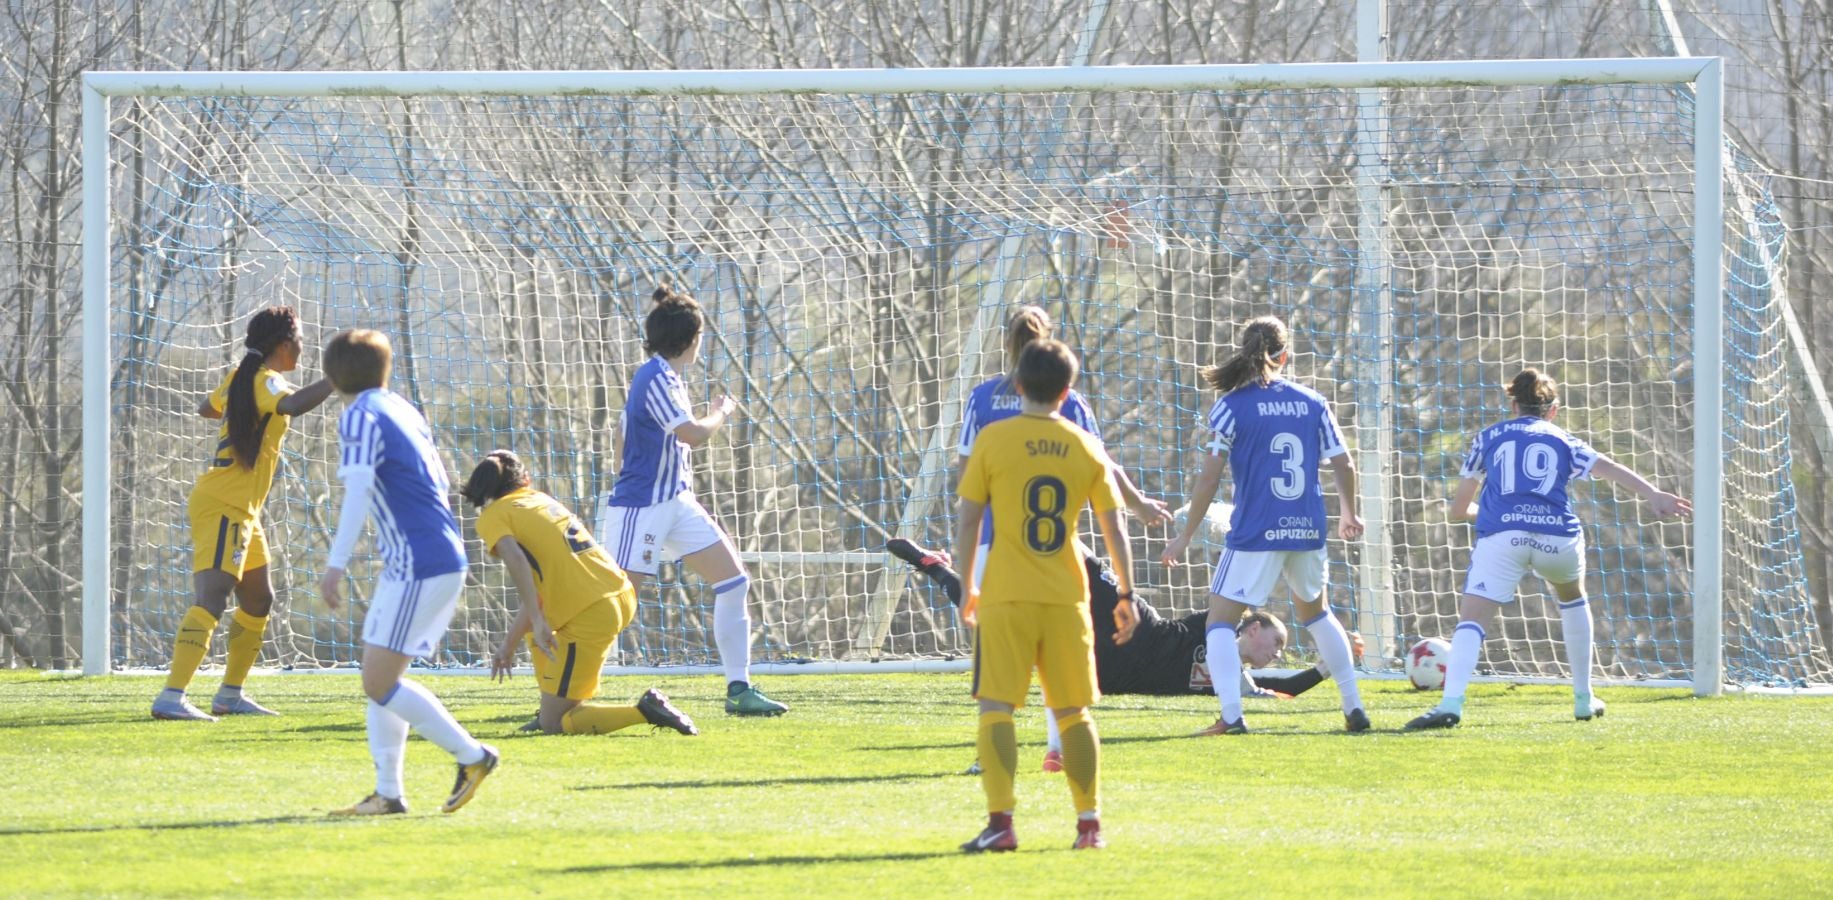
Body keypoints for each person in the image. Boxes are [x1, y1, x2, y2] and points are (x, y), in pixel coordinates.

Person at [1406, 369, 1691, 730]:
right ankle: (1584, 699)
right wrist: (1654, 494)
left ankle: (1451, 705)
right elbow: (1610, 467)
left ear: (1512, 404)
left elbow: (1460, 509)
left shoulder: (1488, 438)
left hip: (1503, 539)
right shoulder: (1563, 439)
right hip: (1557, 537)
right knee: (1572, 598)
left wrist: (1497, 512)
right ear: (1553, 409)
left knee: (1472, 620)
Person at [954, 305, 1171, 769]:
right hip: (1055, 550)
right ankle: (1058, 751)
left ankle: (989, 753)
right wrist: (1139, 505)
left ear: (1005, 343)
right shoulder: (1069, 401)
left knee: (995, 655)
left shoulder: (983, 397)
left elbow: (965, 474)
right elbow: (1104, 468)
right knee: (1058, 653)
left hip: (996, 543)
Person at [954, 339, 1137, 853]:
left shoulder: (993, 439)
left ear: (1017, 386)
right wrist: (1126, 590)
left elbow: (968, 518)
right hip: (1066, 596)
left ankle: (1001, 825)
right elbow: (1113, 525)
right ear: (1067, 390)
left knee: (996, 708)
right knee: (1074, 712)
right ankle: (1088, 827)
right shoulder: (1085, 445)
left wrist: (968, 582)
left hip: (1006, 593)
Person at [317, 329, 498, 817]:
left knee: (378, 682)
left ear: (333, 378)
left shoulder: (358, 415)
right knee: (379, 677)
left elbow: (357, 492)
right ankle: (388, 793)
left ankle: (472, 756)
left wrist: (335, 563)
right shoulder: (402, 408)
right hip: (423, 558)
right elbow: (437, 481)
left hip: (419, 562)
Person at [1162, 315, 1370, 735]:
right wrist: (1349, 512)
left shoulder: (1230, 407)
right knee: (1317, 613)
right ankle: (1354, 707)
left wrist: (1185, 535)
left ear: (1244, 352)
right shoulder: (1313, 402)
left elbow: (1208, 478)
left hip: (1257, 530)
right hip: (1307, 527)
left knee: (1219, 622)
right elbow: (1343, 462)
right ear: (1285, 356)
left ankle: (1233, 718)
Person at [596, 285, 787, 717]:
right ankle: (568, 686)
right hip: (642, 507)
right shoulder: (657, 376)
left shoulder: (665, 377)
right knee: (617, 603)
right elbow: (693, 434)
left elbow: (622, 437)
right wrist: (722, 410)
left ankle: (739, 690)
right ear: (693, 338)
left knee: (735, 581)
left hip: (675, 503)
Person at [889, 536, 1356, 703]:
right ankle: (1031, 530)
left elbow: (1286, 689)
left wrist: (1327, 667)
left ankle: (937, 569)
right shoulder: (1217, 629)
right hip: (1134, 627)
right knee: (1087, 564)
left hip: (1099, 671)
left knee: (994, 621)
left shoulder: (1238, 684)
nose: (1276, 653)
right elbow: (1226, 597)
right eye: (1274, 642)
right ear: (1250, 629)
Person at [153, 306, 334, 721]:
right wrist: (337, 379)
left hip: (242, 510)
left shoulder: (243, 378)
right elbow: (292, 406)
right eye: (301, 339)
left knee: (258, 597)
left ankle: (230, 695)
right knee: (212, 596)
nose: (304, 347)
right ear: (284, 345)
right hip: (225, 505)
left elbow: (207, 408)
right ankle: (171, 696)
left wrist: (238, 410)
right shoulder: (268, 381)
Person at [464, 450, 697, 738]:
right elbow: (540, 590)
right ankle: (550, 708)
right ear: (525, 479)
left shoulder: (494, 515)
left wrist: (536, 622)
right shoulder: (539, 500)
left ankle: (645, 709)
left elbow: (517, 561)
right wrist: (510, 644)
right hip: (617, 592)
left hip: (590, 609)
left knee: (556, 724)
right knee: (538, 634)